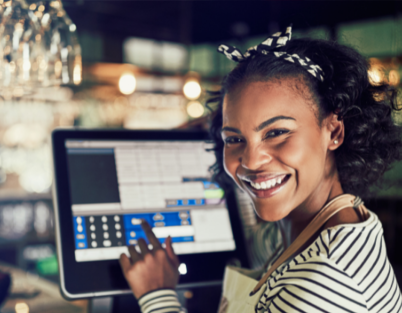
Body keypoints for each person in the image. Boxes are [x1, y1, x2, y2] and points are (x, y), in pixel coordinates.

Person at [119, 25, 402, 313]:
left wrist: (157, 295)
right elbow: (251, 243)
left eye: (276, 132)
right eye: (235, 139)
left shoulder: (323, 285)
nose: (251, 161)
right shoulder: (314, 226)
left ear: (334, 132)